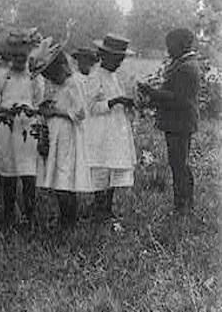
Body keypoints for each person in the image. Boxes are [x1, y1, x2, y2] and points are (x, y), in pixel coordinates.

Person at [32, 41, 94, 228]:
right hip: (57, 136)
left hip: (67, 137)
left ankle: (69, 220)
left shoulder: (73, 83)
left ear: (63, 67)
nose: (52, 80)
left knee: (65, 178)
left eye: (54, 75)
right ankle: (64, 218)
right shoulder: (62, 85)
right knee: (59, 179)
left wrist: (56, 112)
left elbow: (80, 112)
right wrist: (47, 107)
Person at [138, 28, 201, 215]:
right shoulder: (183, 63)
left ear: (182, 44)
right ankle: (185, 203)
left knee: (179, 164)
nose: (168, 49)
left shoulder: (187, 67)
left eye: (170, 45)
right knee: (180, 163)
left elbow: (177, 99)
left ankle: (182, 206)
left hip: (180, 123)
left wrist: (150, 91)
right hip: (180, 122)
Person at [0, 28, 44, 226]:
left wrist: (30, 110)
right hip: (5, 128)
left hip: (28, 130)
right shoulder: (1, 77)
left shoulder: (35, 79)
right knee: (8, 171)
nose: (20, 60)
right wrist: (7, 110)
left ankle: (30, 215)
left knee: (28, 172)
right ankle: (8, 213)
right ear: (10, 56)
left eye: (23, 56)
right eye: (16, 56)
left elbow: (39, 105)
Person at [84, 34, 136, 220]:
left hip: (115, 129)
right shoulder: (94, 76)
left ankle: (107, 207)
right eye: (116, 59)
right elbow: (90, 108)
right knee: (101, 167)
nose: (118, 63)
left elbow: (119, 98)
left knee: (114, 165)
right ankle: (98, 206)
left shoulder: (114, 76)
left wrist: (128, 103)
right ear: (103, 55)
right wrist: (116, 101)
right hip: (100, 130)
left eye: (121, 59)